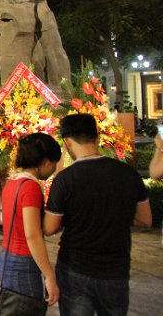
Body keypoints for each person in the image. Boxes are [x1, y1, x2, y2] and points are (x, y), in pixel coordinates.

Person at [44, 113, 152, 316]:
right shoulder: (128, 174)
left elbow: (49, 228)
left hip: (75, 268)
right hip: (116, 269)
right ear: (98, 138)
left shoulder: (66, 180)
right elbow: (145, 220)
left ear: (66, 143)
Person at [0, 133, 61, 309]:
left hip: (6, 256)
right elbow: (32, 234)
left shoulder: (13, 182)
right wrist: (49, 275)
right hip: (22, 264)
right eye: (54, 164)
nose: (54, 169)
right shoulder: (30, 187)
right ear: (46, 162)